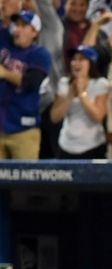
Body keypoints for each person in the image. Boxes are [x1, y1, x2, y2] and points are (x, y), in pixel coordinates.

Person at [0, 10, 51, 160]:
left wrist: (6, 74)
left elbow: (32, 83)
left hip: (24, 130)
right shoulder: (5, 45)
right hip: (1, 125)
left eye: (24, 26)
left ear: (34, 32)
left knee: (26, 180)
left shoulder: (40, 54)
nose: (18, 29)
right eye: (17, 25)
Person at [49, 45, 109, 158]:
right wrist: (70, 95)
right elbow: (54, 117)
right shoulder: (64, 83)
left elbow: (98, 116)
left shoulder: (100, 84)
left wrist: (82, 94)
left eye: (81, 59)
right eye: (74, 59)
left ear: (91, 63)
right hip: (66, 145)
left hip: (93, 146)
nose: (76, 63)